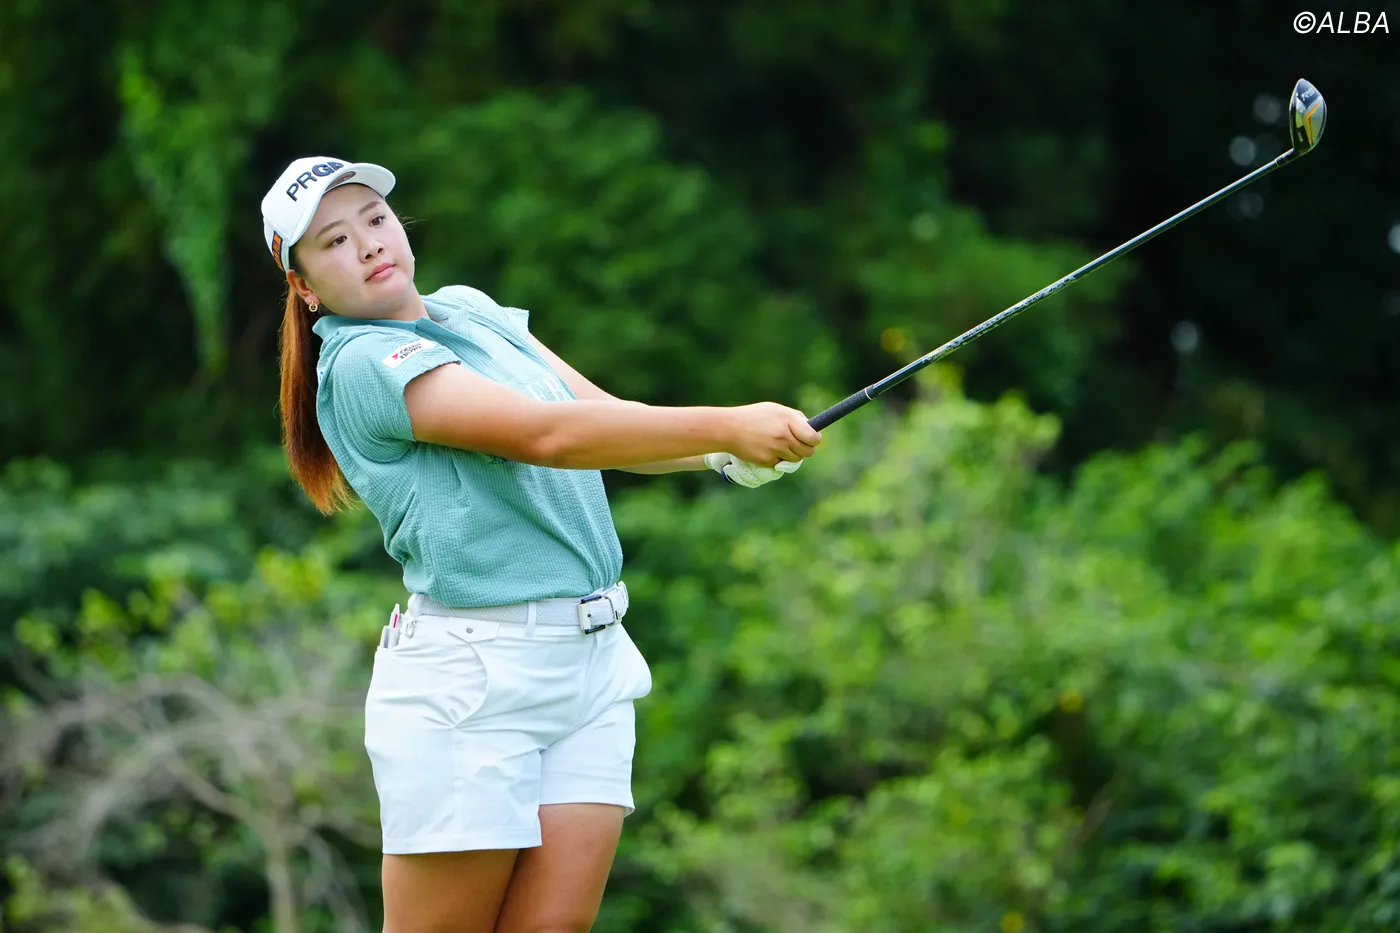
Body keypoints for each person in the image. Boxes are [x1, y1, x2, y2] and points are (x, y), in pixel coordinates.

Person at [260, 156, 822, 933]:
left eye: (375, 219)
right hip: (474, 682)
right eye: (333, 241)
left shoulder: (470, 310)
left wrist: (720, 455)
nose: (368, 243)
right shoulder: (359, 362)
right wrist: (728, 423)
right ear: (305, 286)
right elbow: (546, 434)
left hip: (591, 663)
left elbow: (603, 418)